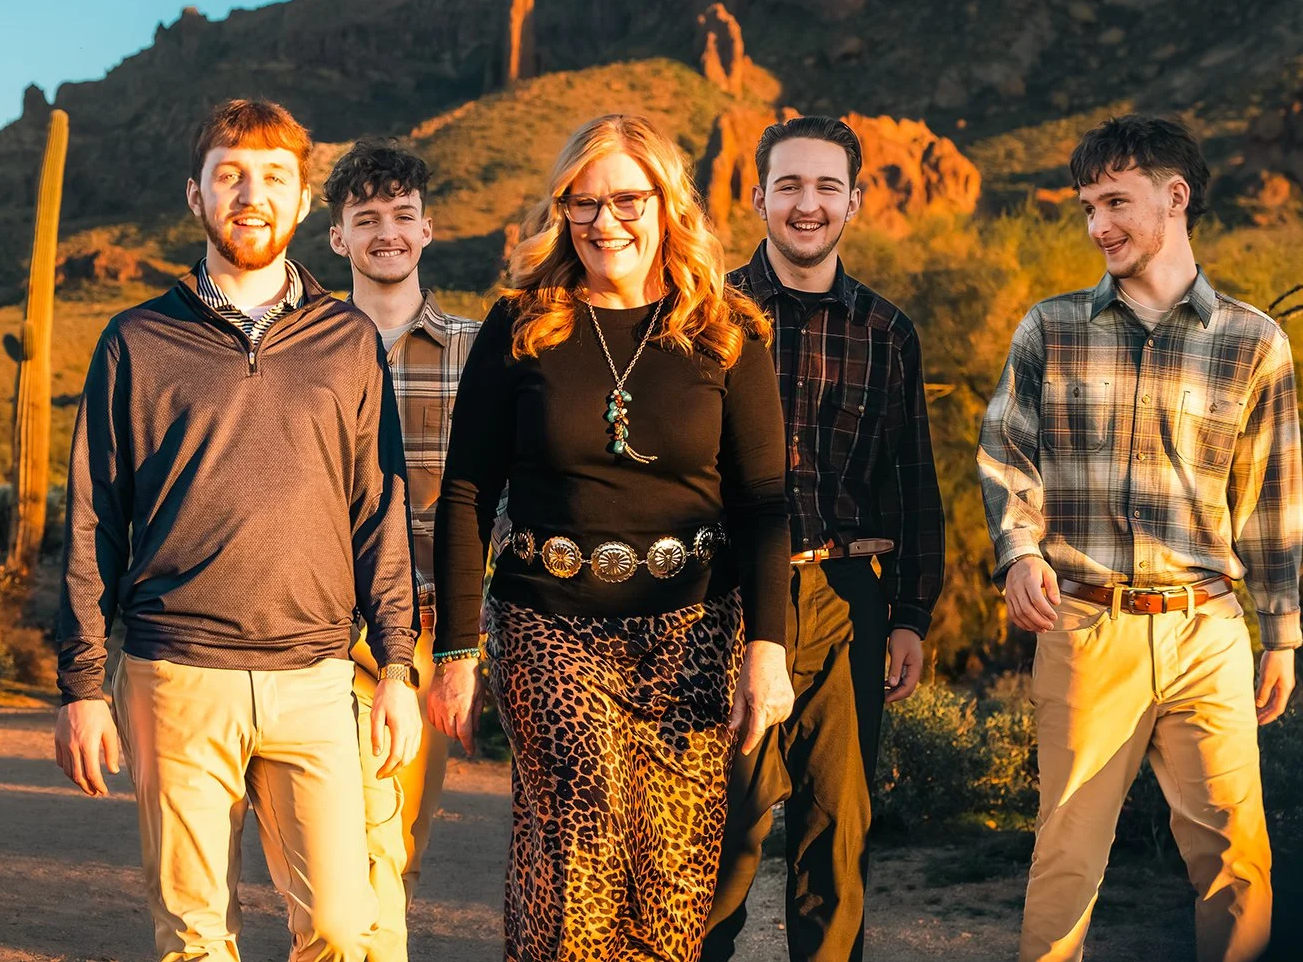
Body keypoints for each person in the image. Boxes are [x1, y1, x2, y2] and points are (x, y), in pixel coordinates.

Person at [52, 98, 424, 962]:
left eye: (273, 178)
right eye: (231, 176)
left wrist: (397, 664)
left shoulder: (347, 340)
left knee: (341, 925)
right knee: (192, 935)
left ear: (301, 204)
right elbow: (92, 519)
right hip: (176, 674)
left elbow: (379, 510)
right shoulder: (135, 340)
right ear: (197, 195)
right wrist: (81, 684)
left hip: (317, 677)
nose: (251, 195)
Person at [426, 112, 796, 961]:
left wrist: (766, 646)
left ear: (667, 203)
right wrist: (457, 652)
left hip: (691, 633)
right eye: (582, 202)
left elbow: (763, 503)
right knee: (578, 840)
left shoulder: (726, 333)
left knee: (668, 880)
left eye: (627, 199)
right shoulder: (521, 324)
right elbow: (467, 493)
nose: (605, 222)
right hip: (548, 624)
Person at [979, 114, 1301, 962]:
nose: (1098, 226)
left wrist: (1282, 633)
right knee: (1066, 861)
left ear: (1176, 197)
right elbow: (1006, 449)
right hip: (1086, 627)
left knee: (1236, 863)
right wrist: (1019, 550)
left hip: (1209, 630)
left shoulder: (1255, 342)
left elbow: (1272, 499)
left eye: (1115, 201)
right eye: (1088, 206)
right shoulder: (1050, 329)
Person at [703, 116, 947, 962]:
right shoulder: (711, 315)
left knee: (836, 834)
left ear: (853, 199)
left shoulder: (888, 333)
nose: (808, 205)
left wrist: (911, 611)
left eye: (825, 187)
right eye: (790, 186)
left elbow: (913, 478)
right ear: (760, 195)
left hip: (849, 599)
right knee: (721, 835)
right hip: (726, 600)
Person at [324, 140, 480, 962]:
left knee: (399, 842)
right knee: (353, 846)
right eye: (366, 219)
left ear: (427, 230)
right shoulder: (300, 349)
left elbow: (500, 497)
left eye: (401, 216)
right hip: (323, 632)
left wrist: (469, 644)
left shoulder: (476, 350)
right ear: (338, 239)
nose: (387, 232)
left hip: (426, 629)